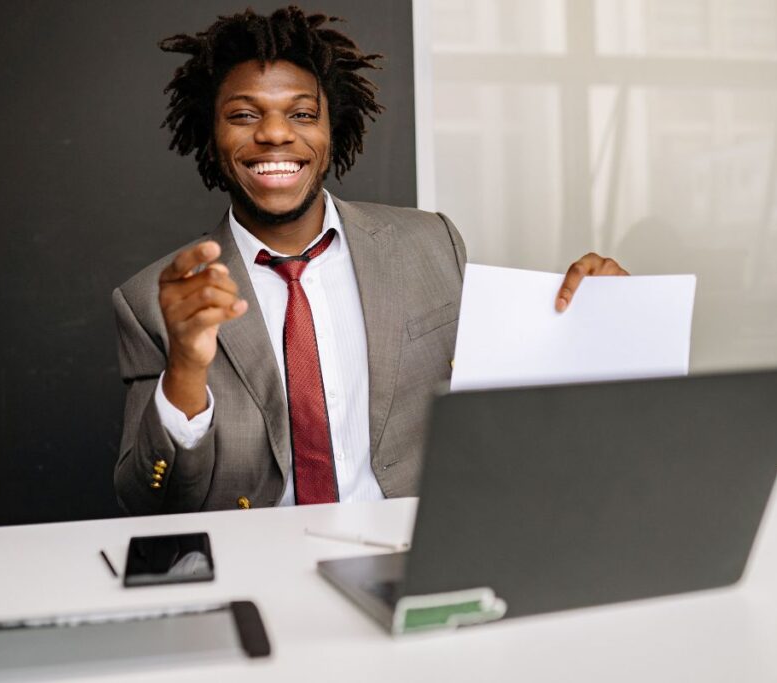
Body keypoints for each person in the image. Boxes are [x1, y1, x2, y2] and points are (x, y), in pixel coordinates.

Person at [113, 6, 627, 515]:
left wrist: (602, 319)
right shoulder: (154, 301)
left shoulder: (430, 243)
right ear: (211, 136)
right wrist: (184, 370)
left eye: (302, 114)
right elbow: (148, 502)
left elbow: (509, 412)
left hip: (416, 548)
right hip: (257, 567)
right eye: (244, 115)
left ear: (333, 131)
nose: (274, 133)